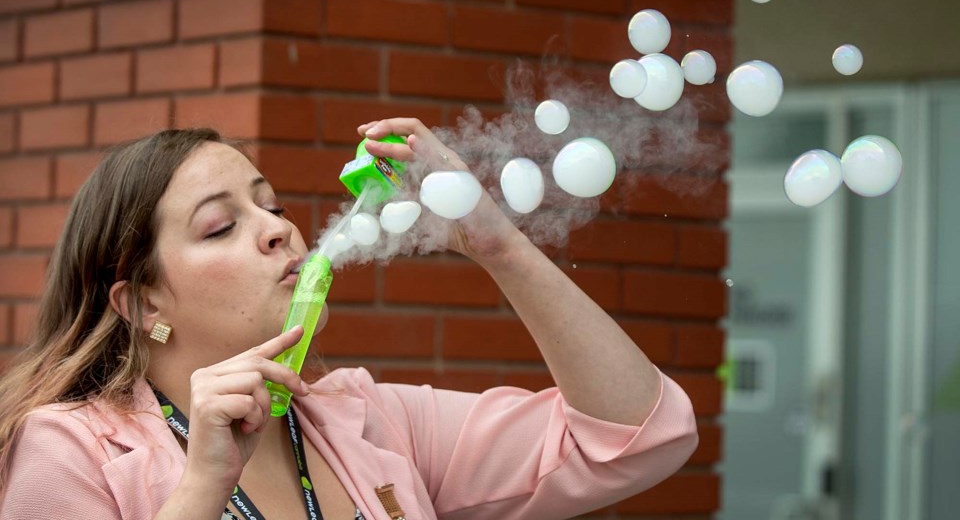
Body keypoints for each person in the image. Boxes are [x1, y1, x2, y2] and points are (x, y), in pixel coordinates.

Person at [0, 118, 698, 520]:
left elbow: (639, 436)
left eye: (270, 206)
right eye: (220, 227)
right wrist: (203, 490)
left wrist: (497, 244)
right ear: (142, 302)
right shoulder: (70, 451)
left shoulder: (368, 419)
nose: (279, 230)